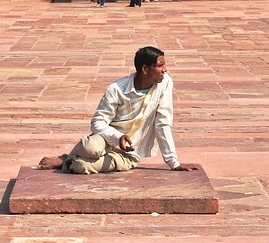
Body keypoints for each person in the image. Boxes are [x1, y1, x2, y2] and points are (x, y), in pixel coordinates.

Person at [39, 46, 198, 174]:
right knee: (90, 148)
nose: (165, 70)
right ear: (145, 69)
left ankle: (68, 162)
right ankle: (69, 158)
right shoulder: (117, 89)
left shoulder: (165, 83)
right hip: (107, 139)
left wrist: (174, 163)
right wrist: (118, 137)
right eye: (160, 65)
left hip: (129, 153)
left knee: (81, 167)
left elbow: (163, 124)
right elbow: (98, 122)